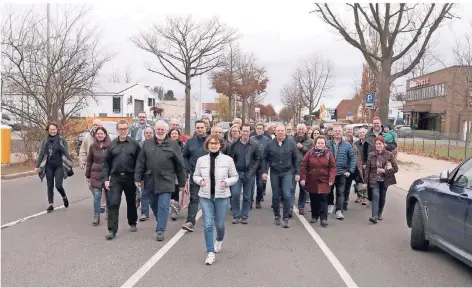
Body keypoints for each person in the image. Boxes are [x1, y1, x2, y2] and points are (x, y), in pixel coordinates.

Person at [135, 121, 186, 241]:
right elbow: (140, 162)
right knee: (153, 204)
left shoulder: (173, 145)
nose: (160, 131)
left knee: (163, 206)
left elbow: (180, 165)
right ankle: (161, 220)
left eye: (162, 129)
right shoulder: (147, 144)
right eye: (158, 129)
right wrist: (138, 178)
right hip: (150, 180)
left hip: (167, 180)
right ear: (154, 130)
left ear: (166, 131)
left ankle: (160, 230)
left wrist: (182, 182)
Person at [193, 134, 238, 265]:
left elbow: (235, 176)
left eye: (215, 143)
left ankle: (219, 239)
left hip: (222, 196)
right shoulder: (201, 160)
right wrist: (200, 180)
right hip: (205, 196)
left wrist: (226, 182)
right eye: (211, 143)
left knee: (219, 224)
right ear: (207, 145)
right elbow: (195, 175)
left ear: (220, 145)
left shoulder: (228, 160)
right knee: (208, 224)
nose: (213, 145)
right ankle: (210, 252)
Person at [103, 120, 141, 240]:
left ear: (128, 130)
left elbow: (139, 162)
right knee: (114, 203)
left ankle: (132, 221)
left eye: (125, 128)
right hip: (116, 178)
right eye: (121, 129)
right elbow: (106, 164)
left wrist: (138, 177)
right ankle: (112, 230)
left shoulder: (134, 144)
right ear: (117, 130)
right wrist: (106, 179)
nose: (123, 131)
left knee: (131, 201)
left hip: (130, 177)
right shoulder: (112, 145)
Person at [262, 125, 299, 228]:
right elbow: (265, 158)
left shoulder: (291, 143)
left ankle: (285, 217)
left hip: (287, 172)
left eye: (282, 131)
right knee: (276, 195)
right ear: (275, 132)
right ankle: (277, 216)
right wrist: (264, 171)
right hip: (275, 172)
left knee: (287, 194)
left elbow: (295, 158)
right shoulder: (270, 144)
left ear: (285, 132)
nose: (280, 133)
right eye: (278, 131)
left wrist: (297, 172)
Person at [226, 124, 261, 224]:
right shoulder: (234, 144)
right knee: (235, 194)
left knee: (247, 196)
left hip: (249, 173)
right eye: (244, 131)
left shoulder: (254, 144)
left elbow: (258, 158)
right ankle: (236, 215)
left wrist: (252, 170)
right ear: (240, 131)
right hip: (236, 173)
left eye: (247, 131)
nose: (245, 133)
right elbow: (230, 159)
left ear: (250, 132)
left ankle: (245, 216)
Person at [35, 122, 72, 213]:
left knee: (58, 185)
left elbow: (66, 153)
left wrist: (69, 164)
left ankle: (64, 197)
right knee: (50, 185)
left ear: (57, 130)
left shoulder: (61, 140)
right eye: (51, 129)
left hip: (59, 166)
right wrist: (37, 166)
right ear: (48, 130)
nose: (52, 131)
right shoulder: (45, 141)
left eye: (54, 129)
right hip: (49, 166)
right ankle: (50, 205)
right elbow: (41, 154)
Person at [300, 135, 336, 227]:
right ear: (315, 143)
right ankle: (315, 216)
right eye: (319, 143)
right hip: (312, 179)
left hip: (324, 180)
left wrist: (331, 179)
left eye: (322, 143)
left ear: (325, 144)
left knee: (323, 199)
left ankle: (323, 218)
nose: (320, 144)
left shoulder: (328, 153)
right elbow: (304, 165)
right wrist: (303, 178)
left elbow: (333, 167)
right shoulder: (310, 152)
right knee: (314, 198)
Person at [363, 136, 398, 223]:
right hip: (374, 179)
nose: (378, 145)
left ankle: (379, 213)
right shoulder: (371, 154)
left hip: (385, 180)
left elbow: (396, 168)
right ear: (374, 145)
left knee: (382, 197)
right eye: (377, 144)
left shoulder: (389, 154)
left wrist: (385, 171)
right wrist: (365, 182)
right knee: (375, 196)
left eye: (380, 144)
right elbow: (367, 169)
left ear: (383, 144)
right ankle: (374, 216)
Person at [181, 120, 208, 232]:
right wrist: (188, 169)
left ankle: (212, 219)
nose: (200, 129)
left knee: (210, 197)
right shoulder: (190, 142)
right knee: (194, 198)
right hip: (195, 174)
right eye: (198, 127)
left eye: (202, 127)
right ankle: (190, 221)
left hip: (209, 174)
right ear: (195, 128)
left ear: (206, 128)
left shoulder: (211, 141)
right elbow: (185, 156)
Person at [326, 125, 356, 220]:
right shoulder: (327, 144)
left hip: (342, 173)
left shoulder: (347, 145)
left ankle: (339, 211)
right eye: (336, 131)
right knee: (329, 191)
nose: (337, 132)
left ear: (342, 132)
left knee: (340, 192)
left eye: (339, 131)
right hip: (330, 173)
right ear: (333, 132)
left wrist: (350, 171)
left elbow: (353, 158)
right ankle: (330, 204)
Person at [85, 126, 112, 225]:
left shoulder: (111, 146)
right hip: (95, 174)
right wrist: (88, 176)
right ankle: (96, 216)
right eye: (98, 134)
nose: (100, 135)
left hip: (107, 175)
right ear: (96, 135)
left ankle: (109, 213)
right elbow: (89, 161)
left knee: (109, 196)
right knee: (97, 196)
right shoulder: (93, 146)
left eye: (101, 133)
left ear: (105, 134)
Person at [79, 119, 107, 214]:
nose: (95, 126)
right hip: (91, 165)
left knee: (102, 187)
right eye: (94, 124)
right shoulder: (88, 137)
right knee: (91, 185)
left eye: (97, 125)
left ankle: (102, 204)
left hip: (103, 166)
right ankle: (97, 199)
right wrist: (82, 161)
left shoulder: (105, 136)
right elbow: (83, 150)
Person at [292, 124, 313, 215]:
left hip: (304, 168)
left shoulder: (310, 141)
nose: (301, 131)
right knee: (291, 188)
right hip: (293, 167)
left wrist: (302, 147)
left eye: (302, 129)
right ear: (296, 130)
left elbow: (312, 153)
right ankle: (290, 207)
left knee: (303, 189)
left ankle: (301, 206)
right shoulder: (291, 140)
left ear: (305, 130)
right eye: (299, 129)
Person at [250, 122, 271, 208]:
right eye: (258, 128)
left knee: (260, 184)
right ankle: (250, 200)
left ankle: (258, 199)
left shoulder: (266, 140)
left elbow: (269, 152)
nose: (259, 130)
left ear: (263, 130)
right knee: (250, 184)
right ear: (255, 129)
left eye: (261, 128)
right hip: (252, 164)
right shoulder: (251, 138)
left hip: (262, 165)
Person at [168, 128, 185, 220]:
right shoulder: (166, 144)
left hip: (177, 171)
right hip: (168, 171)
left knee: (175, 190)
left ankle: (174, 211)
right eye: (172, 134)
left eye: (176, 134)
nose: (174, 135)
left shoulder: (182, 145)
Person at [139, 126, 155, 221]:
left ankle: (156, 210)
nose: (148, 134)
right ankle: (144, 213)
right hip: (144, 173)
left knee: (155, 194)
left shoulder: (157, 144)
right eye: (147, 133)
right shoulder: (140, 145)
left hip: (156, 173)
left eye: (150, 133)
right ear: (144, 134)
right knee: (144, 193)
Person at [354, 127, 369, 205]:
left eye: (363, 132)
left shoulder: (368, 143)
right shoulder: (356, 144)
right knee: (358, 182)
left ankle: (365, 197)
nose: (362, 134)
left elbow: (369, 154)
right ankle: (359, 195)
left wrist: (366, 164)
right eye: (360, 133)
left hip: (366, 165)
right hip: (357, 166)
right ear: (358, 135)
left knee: (365, 182)